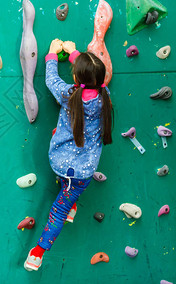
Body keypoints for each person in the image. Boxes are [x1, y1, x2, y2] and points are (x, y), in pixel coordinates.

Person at [24, 39, 113, 271]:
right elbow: (91, 77)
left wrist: (53, 54)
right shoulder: (105, 96)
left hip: (60, 161)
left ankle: (39, 250)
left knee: (59, 210)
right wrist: (75, 54)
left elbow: (51, 79)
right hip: (84, 171)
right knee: (68, 197)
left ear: (75, 79)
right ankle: (39, 250)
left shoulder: (68, 93)